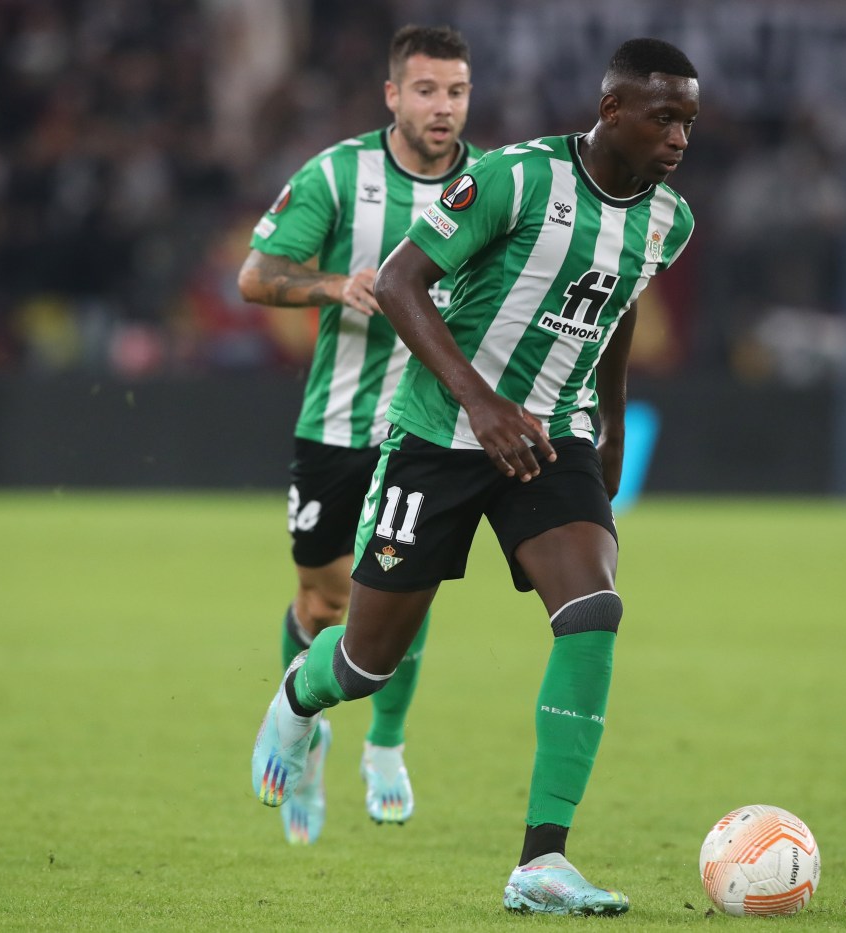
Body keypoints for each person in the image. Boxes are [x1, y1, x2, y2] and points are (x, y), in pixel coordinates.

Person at [251, 36, 699, 914]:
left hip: (550, 436)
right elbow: (399, 282)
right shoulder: (516, 179)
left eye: (688, 120)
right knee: (367, 662)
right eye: (664, 118)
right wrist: (481, 402)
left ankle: (543, 859)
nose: (680, 137)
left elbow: (621, 299)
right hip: (440, 433)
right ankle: (299, 699)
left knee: (593, 610)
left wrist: (608, 421)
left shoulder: (669, 220)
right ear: (612, 110)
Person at [237, 24, 484, 846]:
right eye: (426, 90)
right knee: (321, 597)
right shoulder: (338, 175)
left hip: (428, 430)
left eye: (456, 91)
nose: (442, 107)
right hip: (336, 424)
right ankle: (306, 734)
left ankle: (386, 745)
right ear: (392, 95)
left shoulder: (493, 185)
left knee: (404, 590)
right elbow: (255, 274)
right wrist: (333, 285)